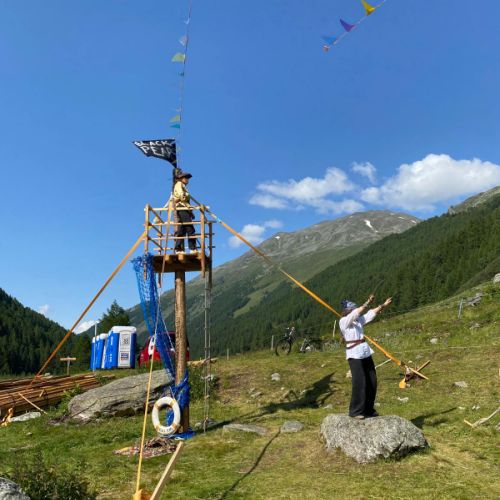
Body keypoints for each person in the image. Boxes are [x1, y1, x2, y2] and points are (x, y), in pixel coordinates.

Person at [339, 294, 392, 419]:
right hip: (354, 354)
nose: (355, 311)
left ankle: (368, 409)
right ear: (348, 311)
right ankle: (356, 411)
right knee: (360, 382)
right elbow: (358, 312)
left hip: (364, 352)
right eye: (353, 309)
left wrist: (384, 305)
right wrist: (368, 301)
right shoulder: (344, 322)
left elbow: (370, 314)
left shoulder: (358, 321)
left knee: (372, 380)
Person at [173, 170, 197, 254]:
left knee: (182, 229)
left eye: (187, 178)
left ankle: (178, 249)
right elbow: (182, 196)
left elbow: (185, 201)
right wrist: (186, 195)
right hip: (181, 207)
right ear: (181, 178)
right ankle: (192, 248)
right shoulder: (179, 184)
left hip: (183, 207)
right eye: (185, 178)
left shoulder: (183, 186)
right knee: (189, 228)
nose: (187, 179)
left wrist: (190, 212)